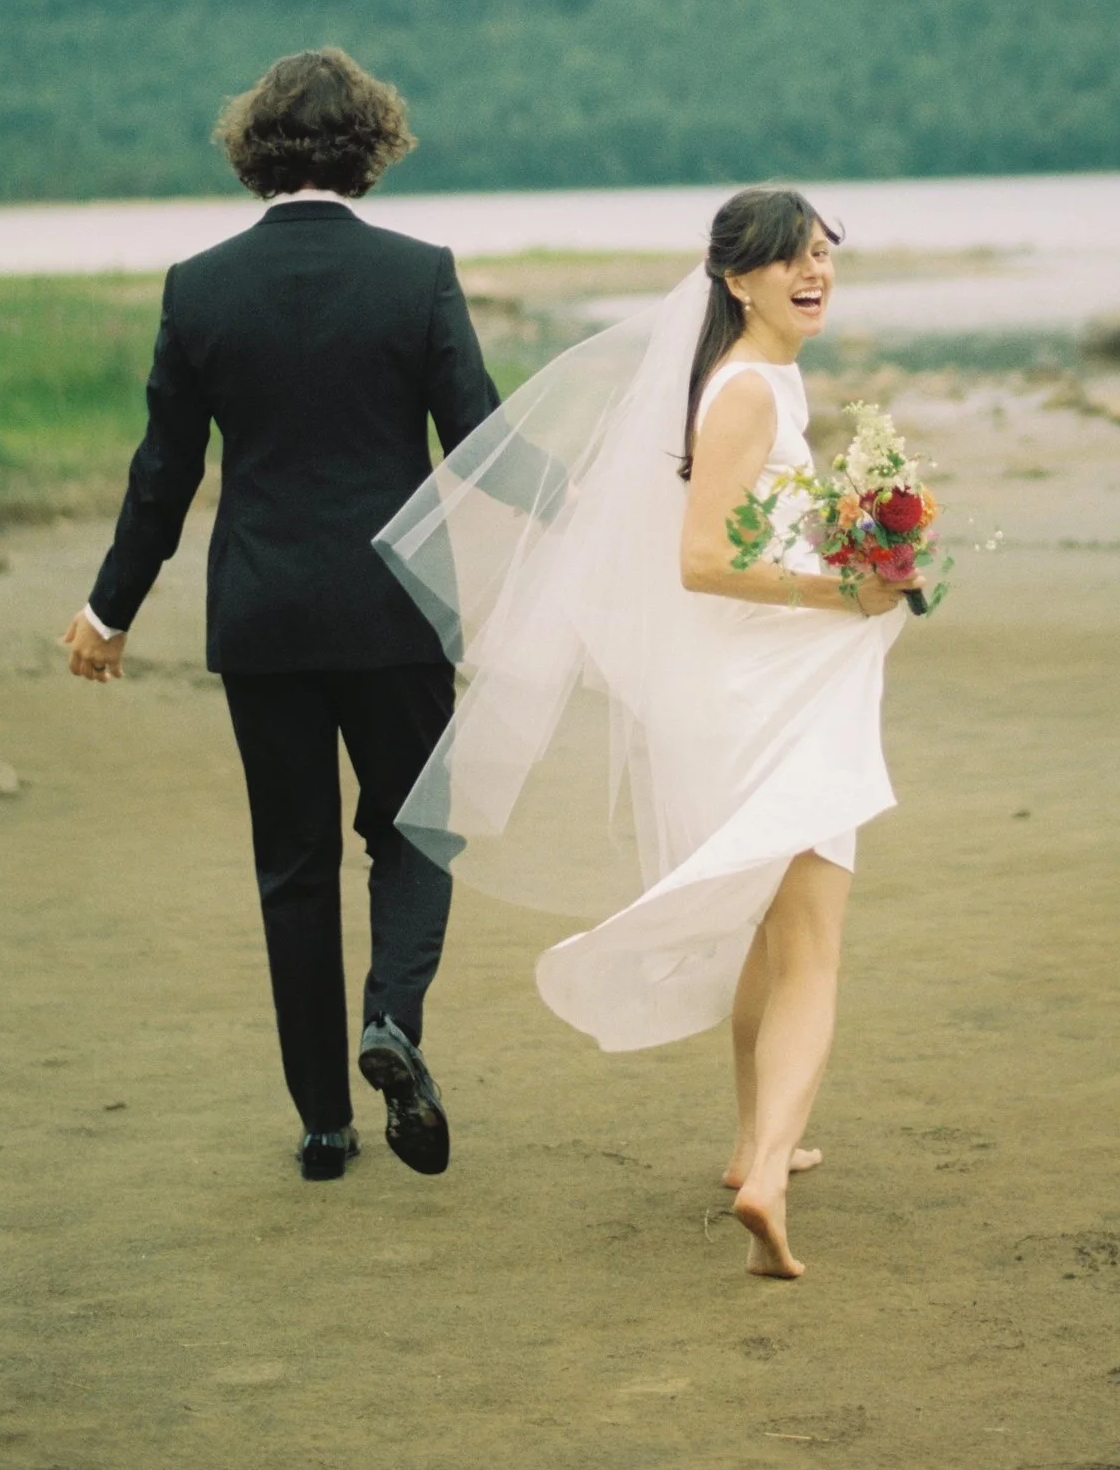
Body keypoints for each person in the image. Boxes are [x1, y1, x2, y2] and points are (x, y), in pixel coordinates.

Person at [377, 185, 919, 1279]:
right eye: (787, 260)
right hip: (769, 699)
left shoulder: (765, 378)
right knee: (810, 946)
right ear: (733, 277)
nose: (812, 273)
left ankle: (747, 1144)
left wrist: (856, 543)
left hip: (751, 688)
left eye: (822, 256)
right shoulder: (741, 393)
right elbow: (701, 561)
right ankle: (768, 1173)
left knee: (769, 935)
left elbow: (755, 528)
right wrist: (846, 594)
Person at [60, 47, 500, 1184]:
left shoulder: (199, 285)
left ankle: (321, 1124)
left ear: (256, 147)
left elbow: (164, 472)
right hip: (398, 610)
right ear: (372, 143)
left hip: (260, 615)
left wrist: (109, 610)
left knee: (292, 861)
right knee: (413, 827)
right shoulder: (418, 274)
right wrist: (605, 512)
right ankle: (389, 1020)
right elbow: (483, 443)